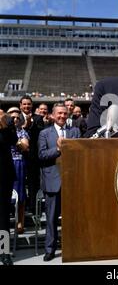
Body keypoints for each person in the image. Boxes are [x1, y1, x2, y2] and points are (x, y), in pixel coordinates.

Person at [38, 103, 80, 261]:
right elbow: (41, 155)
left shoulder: (75, 131)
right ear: (53, 115)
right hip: (52, 181)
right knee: (51, 218)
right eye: (59, 114)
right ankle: (50, 249)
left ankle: (74, 247)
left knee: (73, 217)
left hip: (72, 181)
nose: (62, 116)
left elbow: (79, 153)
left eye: (65, 113)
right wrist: (58, 149)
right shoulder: (44, 133)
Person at [19, 95, 45, 214]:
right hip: (18, 158)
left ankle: (34, 210)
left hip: (33, 157)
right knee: (20, 183)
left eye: (28, 104)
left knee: (33, 183)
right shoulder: (16, 118)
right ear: (20, 106)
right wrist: (25, 124)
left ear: (32, 105)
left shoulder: (38, 118)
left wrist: (30, 124)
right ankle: (20, 211)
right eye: (24, 104)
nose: (26, 106)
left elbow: (40, 134)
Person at [7, 107, 29, 234]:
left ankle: (20, 221)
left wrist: (14, 141)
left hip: (18, 163)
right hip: (5, 163)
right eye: (12, 117)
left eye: (17, 118)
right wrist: (18, 143)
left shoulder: (22, 131)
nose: (15, 120)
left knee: (20, 194)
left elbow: (25, 146)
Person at [0, 109, 18, 265]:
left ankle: (4, 251)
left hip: (4, 176)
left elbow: (13, 140)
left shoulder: (7, 121)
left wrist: (5, 125)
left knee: (3, 217)